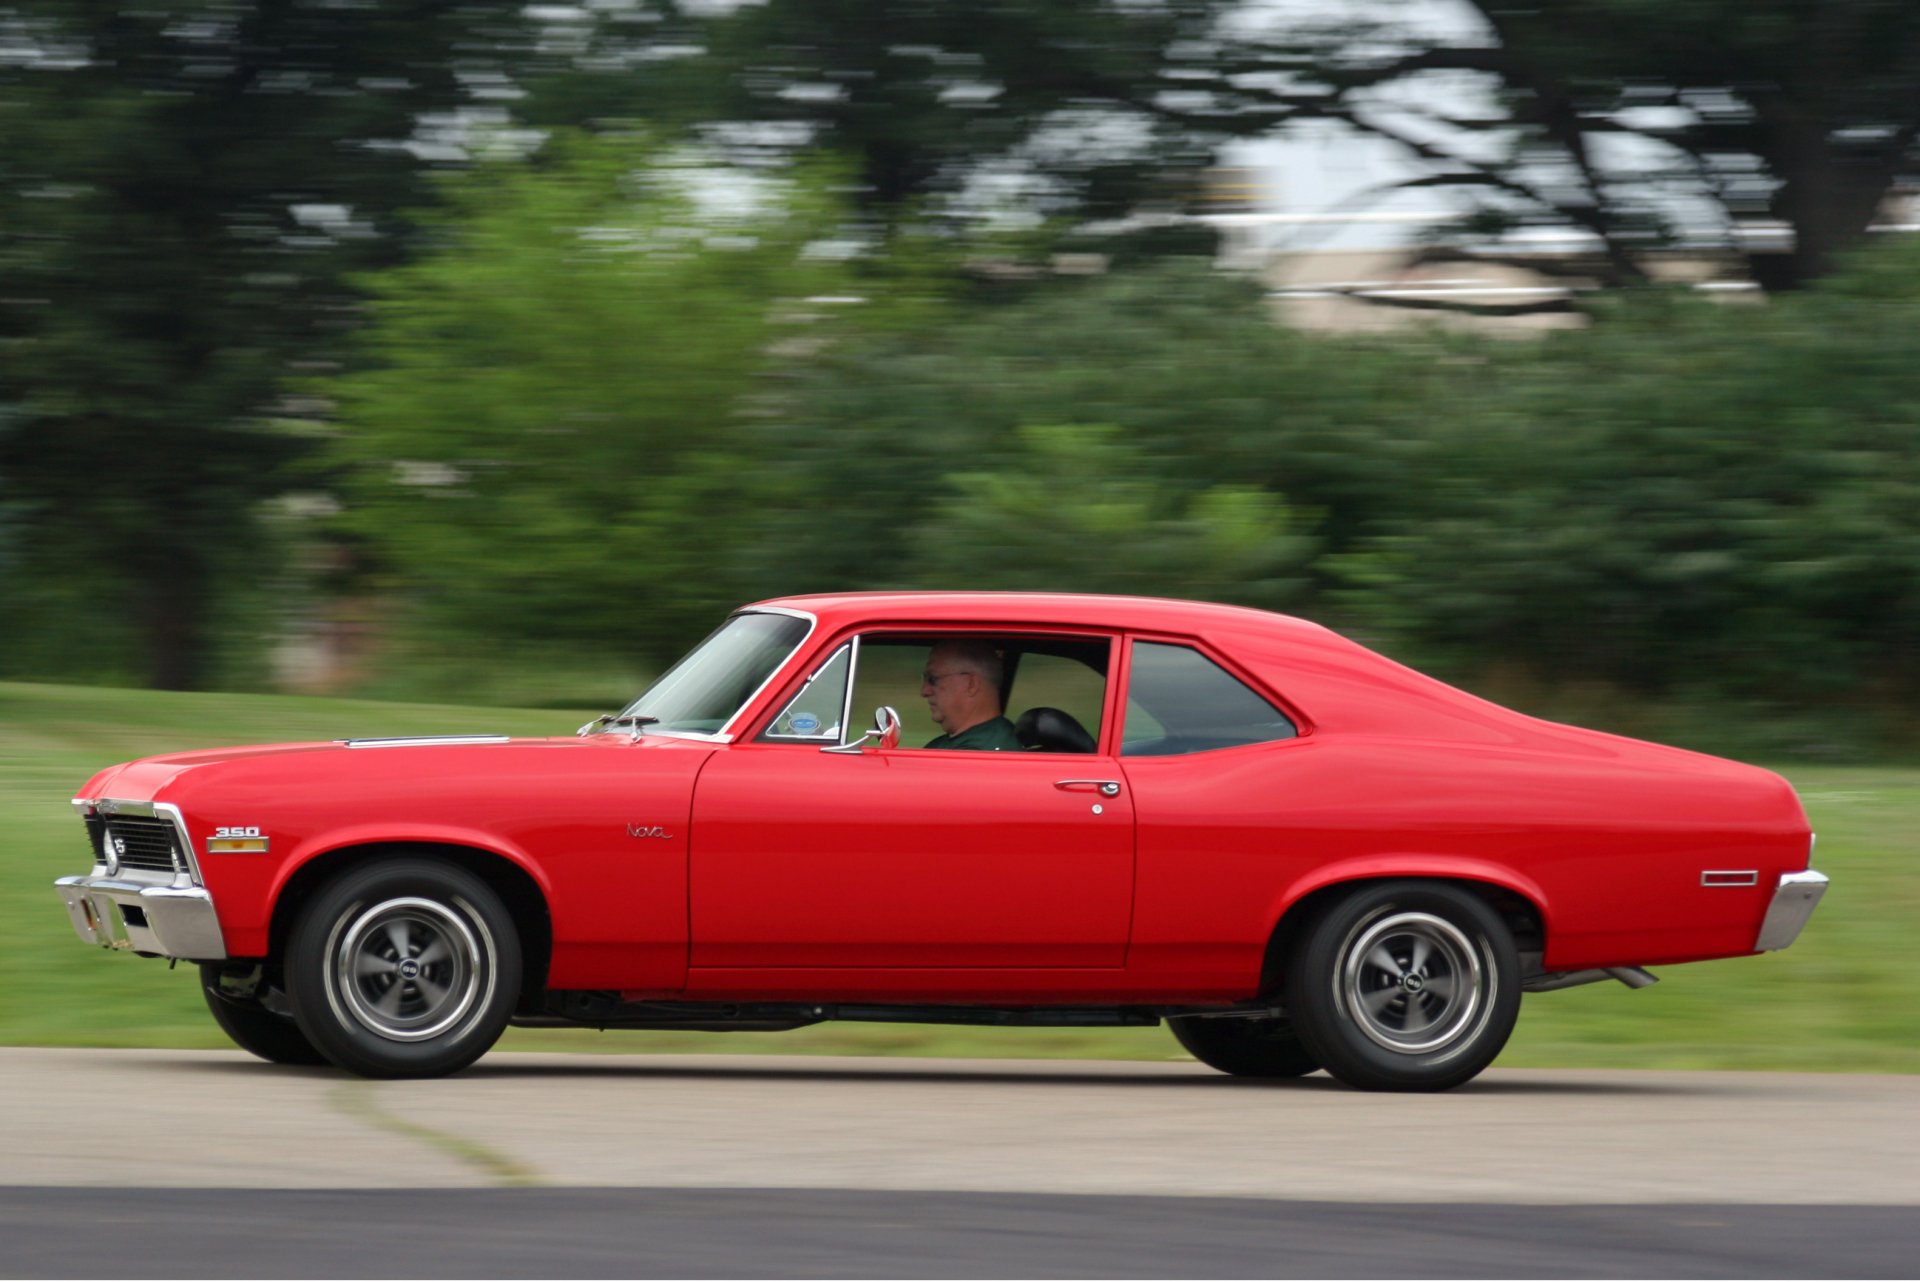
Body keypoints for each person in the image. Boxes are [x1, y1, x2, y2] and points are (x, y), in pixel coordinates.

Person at [920, 640, 1024, 751]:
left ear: (971, 684)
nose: (924, 691)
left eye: (933, 679)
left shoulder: (980, 754)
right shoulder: (952, 744)